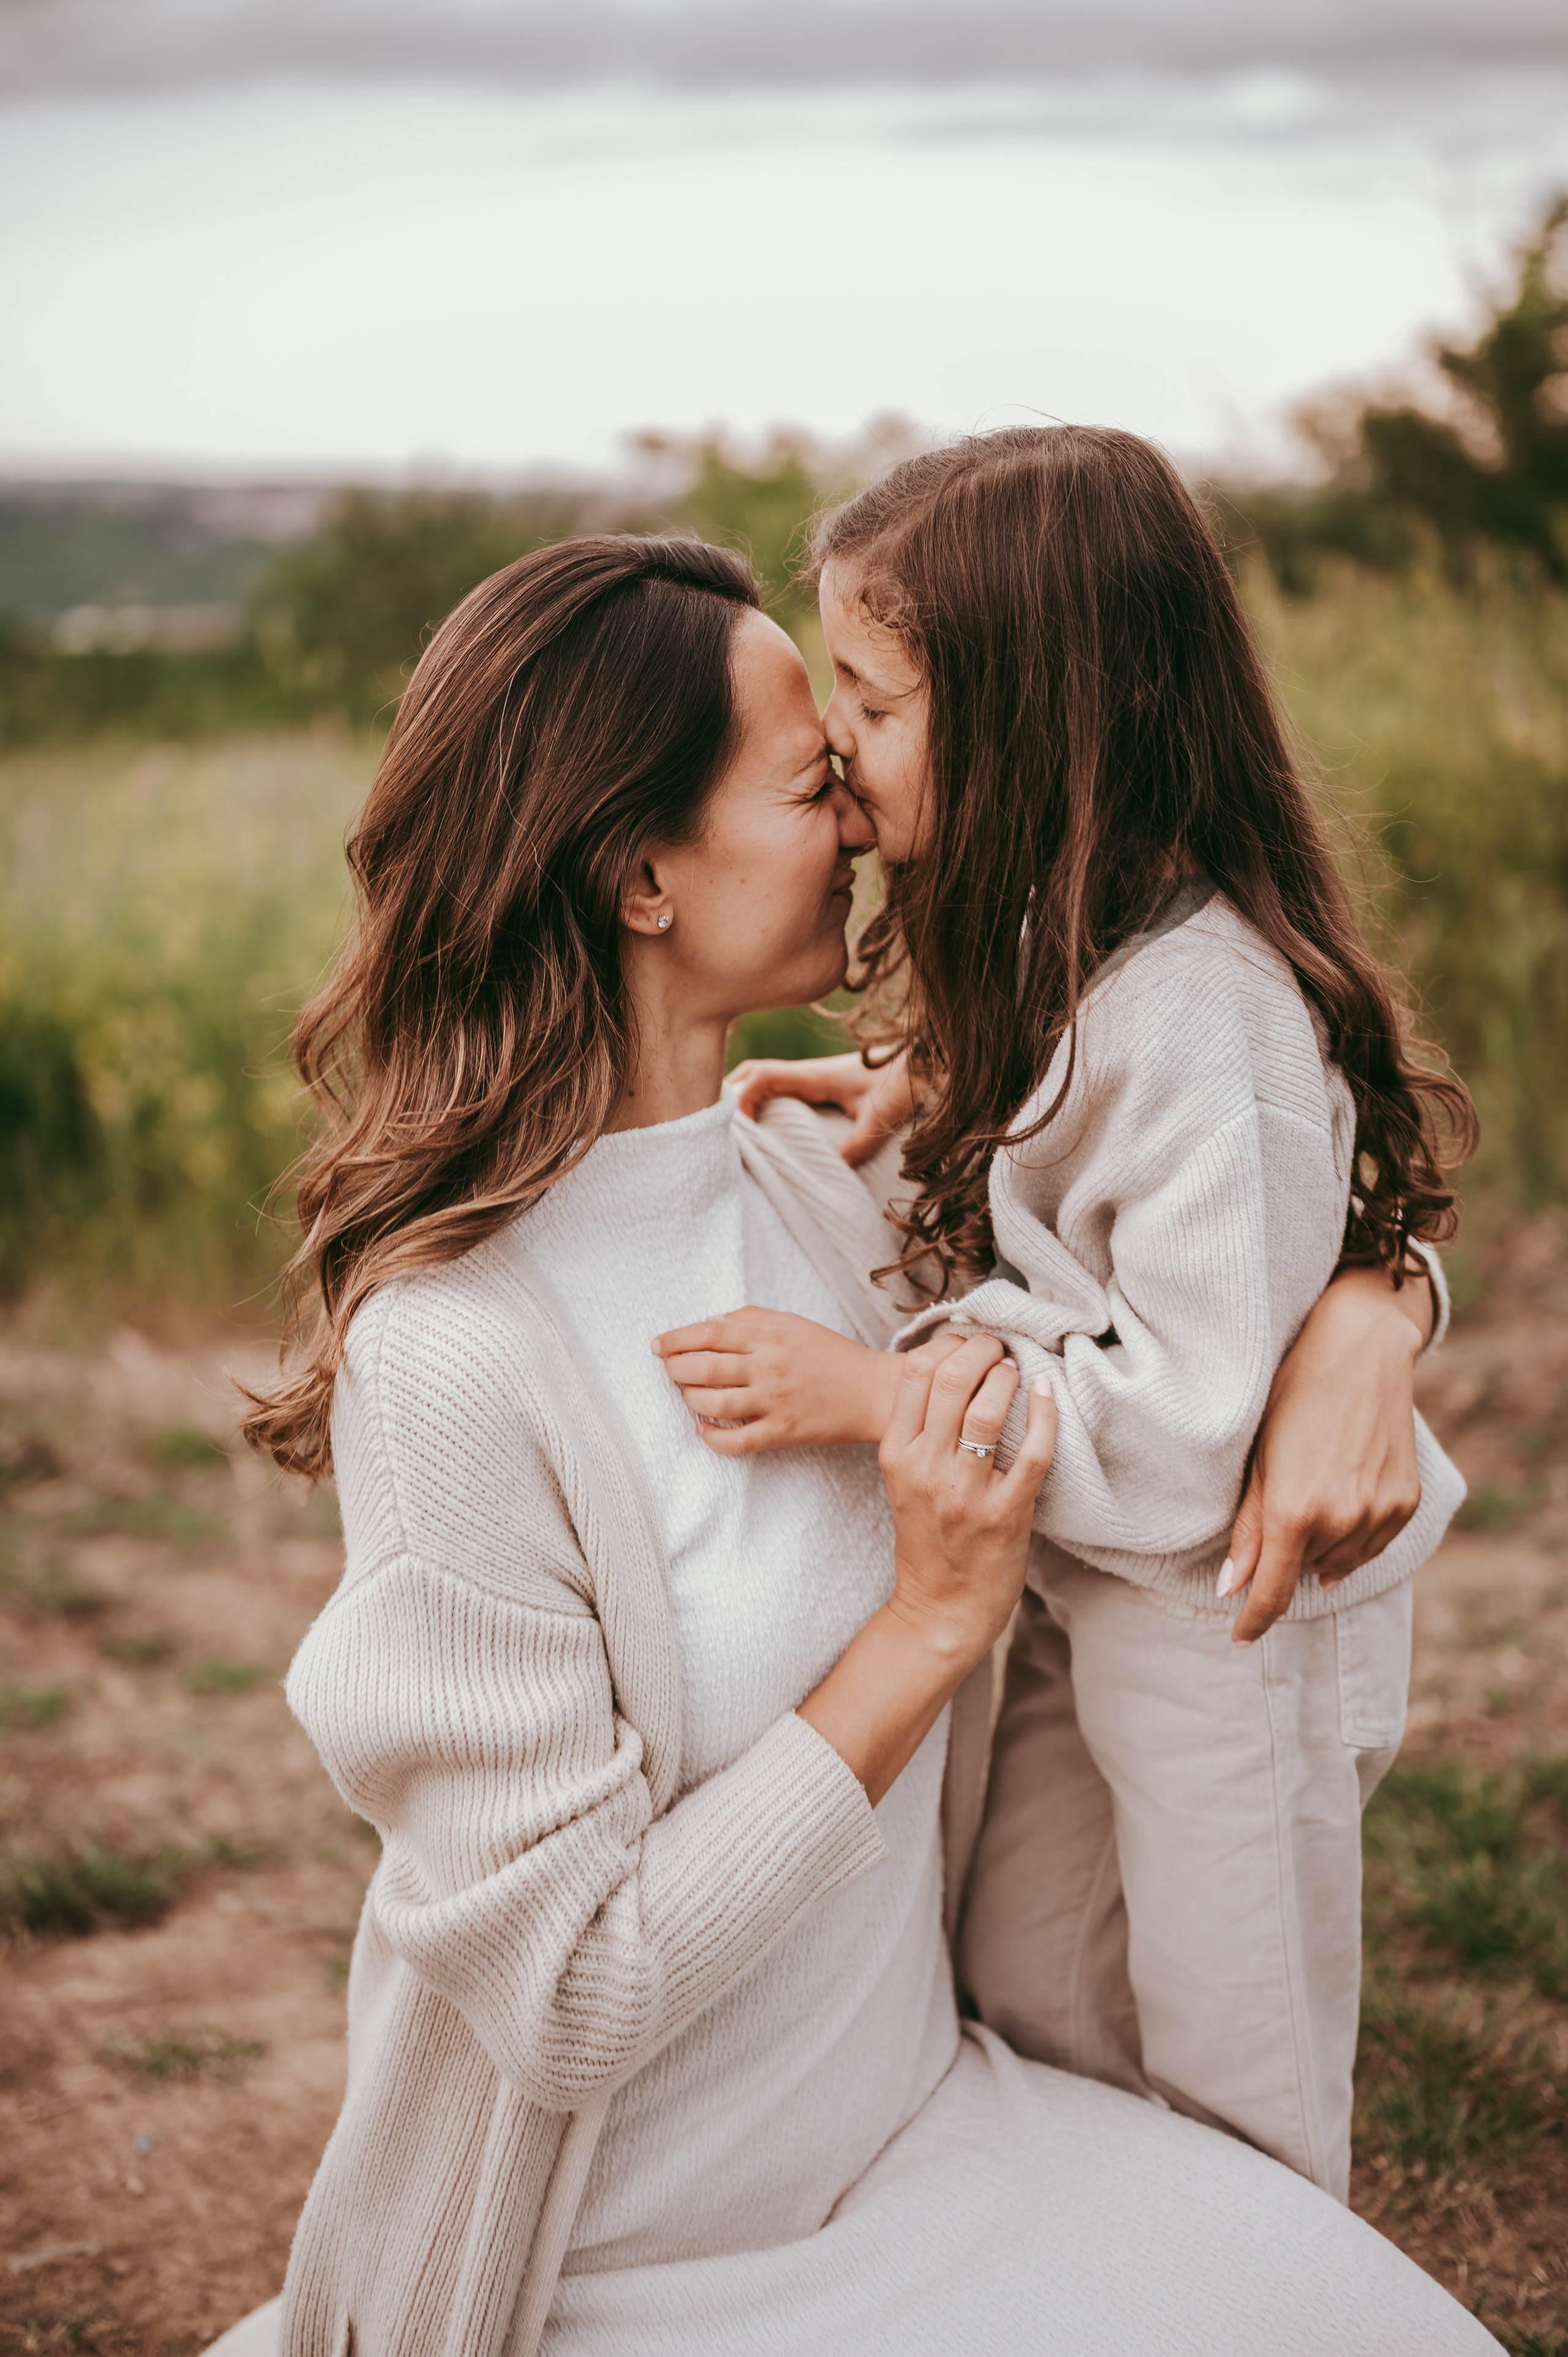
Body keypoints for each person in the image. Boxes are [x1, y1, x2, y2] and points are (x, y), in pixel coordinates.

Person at [212, 532, 1494, 2357]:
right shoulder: (456, 1357)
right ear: (642, 873)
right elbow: (569, 1997)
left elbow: (1208, 1233)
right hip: (625, 2254)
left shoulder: (814, 1198)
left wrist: (1385, 1311)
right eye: (819, 779)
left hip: (930, 2137)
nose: (873, 821)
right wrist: (925, 1634)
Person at [658, 426, 1477, 2204]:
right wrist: (924, 1084)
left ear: (1039, 716)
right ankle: (1098, 2264)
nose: (840, 756)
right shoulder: (1066, 945)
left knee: (1229, 2039)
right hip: (1088, 1577)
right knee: (1031, 1969)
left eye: (870, 703)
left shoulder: (1207, 1020)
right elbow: (1076, 1187)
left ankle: (1273, 2292)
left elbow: (1186, 1444)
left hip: (1227, 1613)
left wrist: (882, 1402)